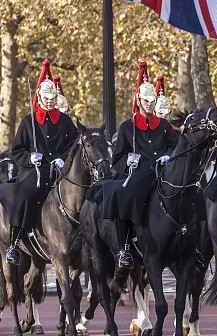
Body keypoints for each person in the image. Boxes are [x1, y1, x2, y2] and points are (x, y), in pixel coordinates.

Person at [96, 61, 179, 268]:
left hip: (164, 170)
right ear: (139, 101)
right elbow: (117, 159)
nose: (150, 104)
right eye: (146, 100)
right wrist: (128, 161)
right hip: (139, 173)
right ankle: (124, 248)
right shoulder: (127, 127)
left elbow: (175, 146)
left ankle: (193, 247)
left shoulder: (164, 125)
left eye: (152, 101)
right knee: (124, 195)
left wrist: (168, 156)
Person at [1, 60, 78, 265]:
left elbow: (74, 143)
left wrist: (63, 158)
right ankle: (14, 243)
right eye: (47, 98)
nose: (50, 101)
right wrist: (30, 157)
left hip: (60, 169)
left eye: (53, 98)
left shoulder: (65, 120)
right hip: (34, 171)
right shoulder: (29, 121)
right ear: (40, 97)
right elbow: (17, 150)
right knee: (23, 194)